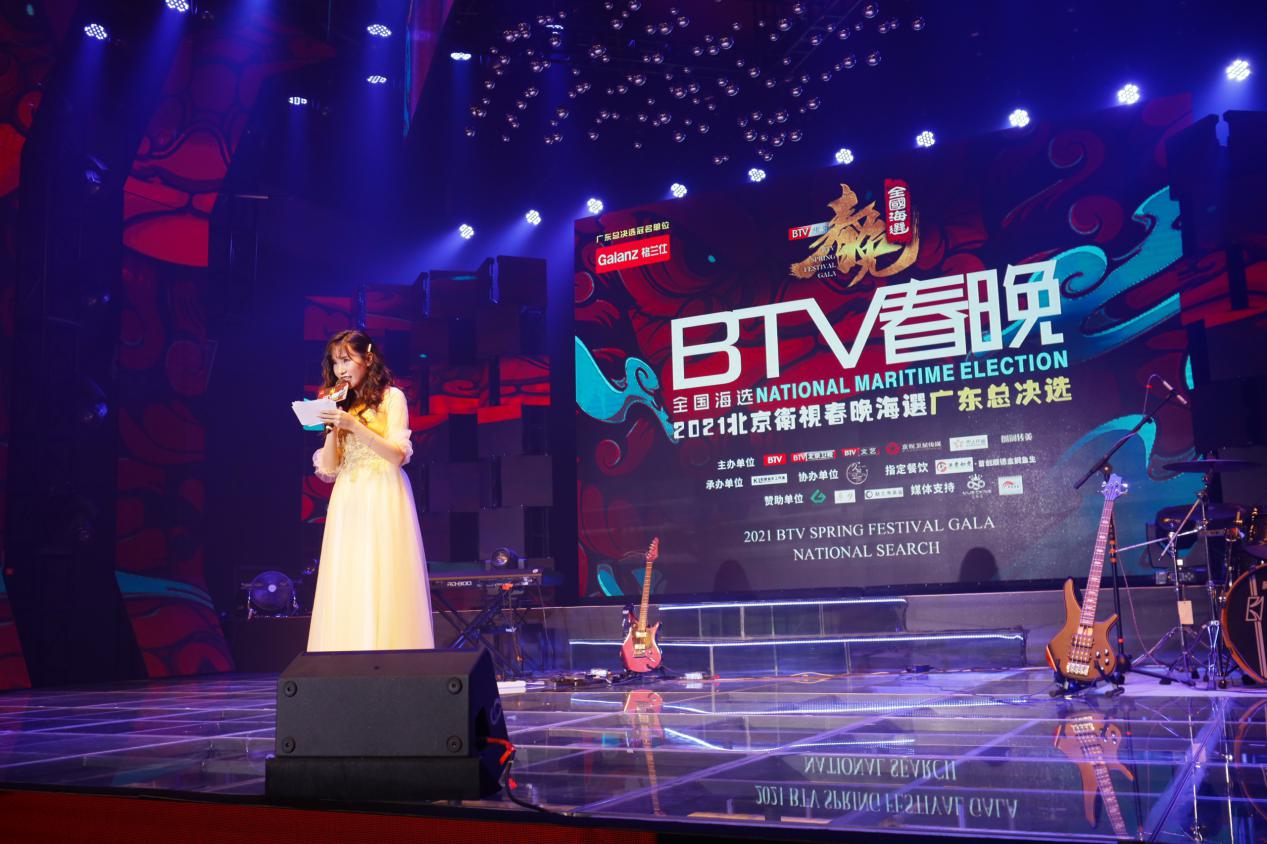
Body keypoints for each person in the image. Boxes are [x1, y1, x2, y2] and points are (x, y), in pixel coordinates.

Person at [308, 329, 435, 651]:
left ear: (368, 358)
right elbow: (329, 469)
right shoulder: (339, 402)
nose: (340, 369)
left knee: (382, 570)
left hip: (382, 490)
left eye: (346, 360)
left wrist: (354, 426)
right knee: (348, 570)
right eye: (335, 362)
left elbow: (397, 455)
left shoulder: (392, 397)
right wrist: (332, 427)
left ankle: (388, 652)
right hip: (348, 494)